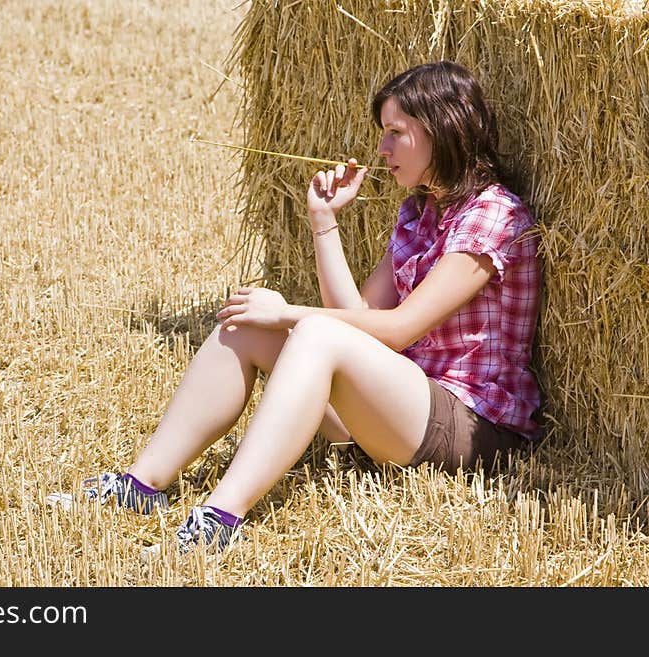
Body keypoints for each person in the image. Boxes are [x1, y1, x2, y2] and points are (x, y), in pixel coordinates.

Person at [48, 60, 542, 555]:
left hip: (470, 429)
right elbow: (359, 317)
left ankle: (221, 516)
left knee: (312, 332)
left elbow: (396, 329)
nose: (382, 148)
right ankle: (141, 485)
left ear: (443, 129)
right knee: (243, 327)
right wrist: (323, 222)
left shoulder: (493, 216)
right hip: (400, 413)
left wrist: (287, 313)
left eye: (396, 132)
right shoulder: (420, 212)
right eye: (382, 133)